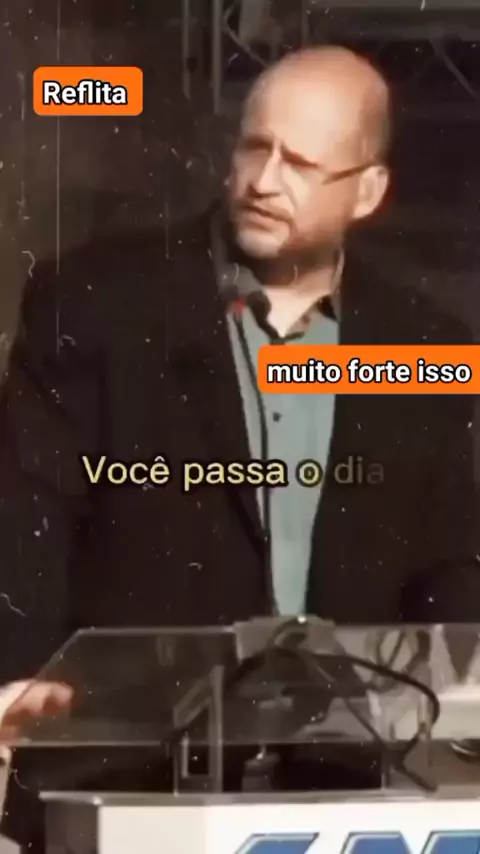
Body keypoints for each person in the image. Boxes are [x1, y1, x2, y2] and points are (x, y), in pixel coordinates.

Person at [0, 45, 476, 850]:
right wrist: (19, 682)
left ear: (368, 190)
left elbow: (450, 554)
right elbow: (26, 517)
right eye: (256, 148)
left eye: (301, 164)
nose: (263, 181)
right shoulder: (95, 301)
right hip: (125, 779)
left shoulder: (428, 344)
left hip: (343, 786)